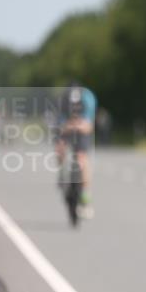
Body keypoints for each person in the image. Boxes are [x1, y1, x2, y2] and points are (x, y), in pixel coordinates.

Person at [55, 81, 97, 217]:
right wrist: (67, 127)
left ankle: (85, 194)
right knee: (60, 147)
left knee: (82, 158)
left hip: (82, 130)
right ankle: (62, 173)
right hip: (66, 128)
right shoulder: (62, 100)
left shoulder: (88, 98)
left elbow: (88, 125)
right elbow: (60, 125)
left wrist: (79, 125)